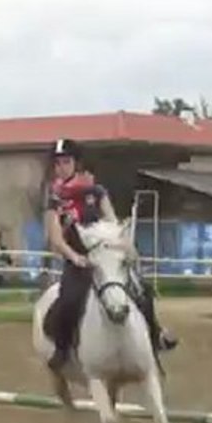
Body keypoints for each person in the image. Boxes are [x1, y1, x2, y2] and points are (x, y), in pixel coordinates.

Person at [43, 138, 177, 371]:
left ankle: (155, 335)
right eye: (58, 163)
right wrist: (74, 257)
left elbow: (112, 222)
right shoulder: (54, 199)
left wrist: (123, 245)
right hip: (78, 262)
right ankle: (62, 350)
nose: (61, 167)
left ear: (76, 163)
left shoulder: (96, 192)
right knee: (69, 299)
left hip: (106, 258)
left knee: (142, 290)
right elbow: (55, 238)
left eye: (66, 161)